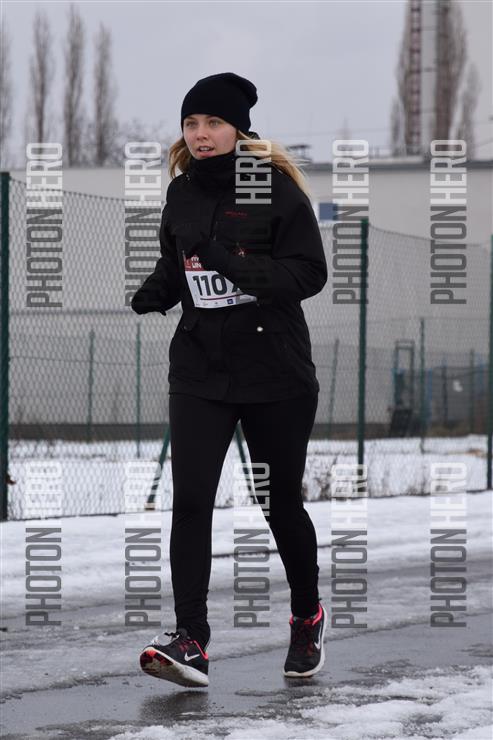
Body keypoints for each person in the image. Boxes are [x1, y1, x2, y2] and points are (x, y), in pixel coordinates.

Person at [132, 72, 328, 689]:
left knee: (279, 504)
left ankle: (307, 616)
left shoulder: (273, 189)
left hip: (274, 372)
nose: (201, 134)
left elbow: (307, 274)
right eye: (191, 123)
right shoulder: (182, 191)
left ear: (238, 130)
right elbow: (180, 262)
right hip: (200, 370)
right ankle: (191, 639)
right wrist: (159, 289)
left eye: (213, 123)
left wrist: (225, 260)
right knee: (191, 500)